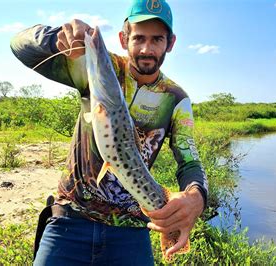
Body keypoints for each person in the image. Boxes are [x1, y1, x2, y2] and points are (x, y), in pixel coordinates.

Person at [11, 0, 208, 264]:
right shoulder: (101, 68)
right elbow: (20, 46)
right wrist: (57, 37)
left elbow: (190, 159)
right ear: (123, 38)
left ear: (170, 43)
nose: (147, 49)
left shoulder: (176, 99)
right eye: (138, 38)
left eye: (157, 39)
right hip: (70, 219)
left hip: (131, 231)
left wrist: (197, 197)